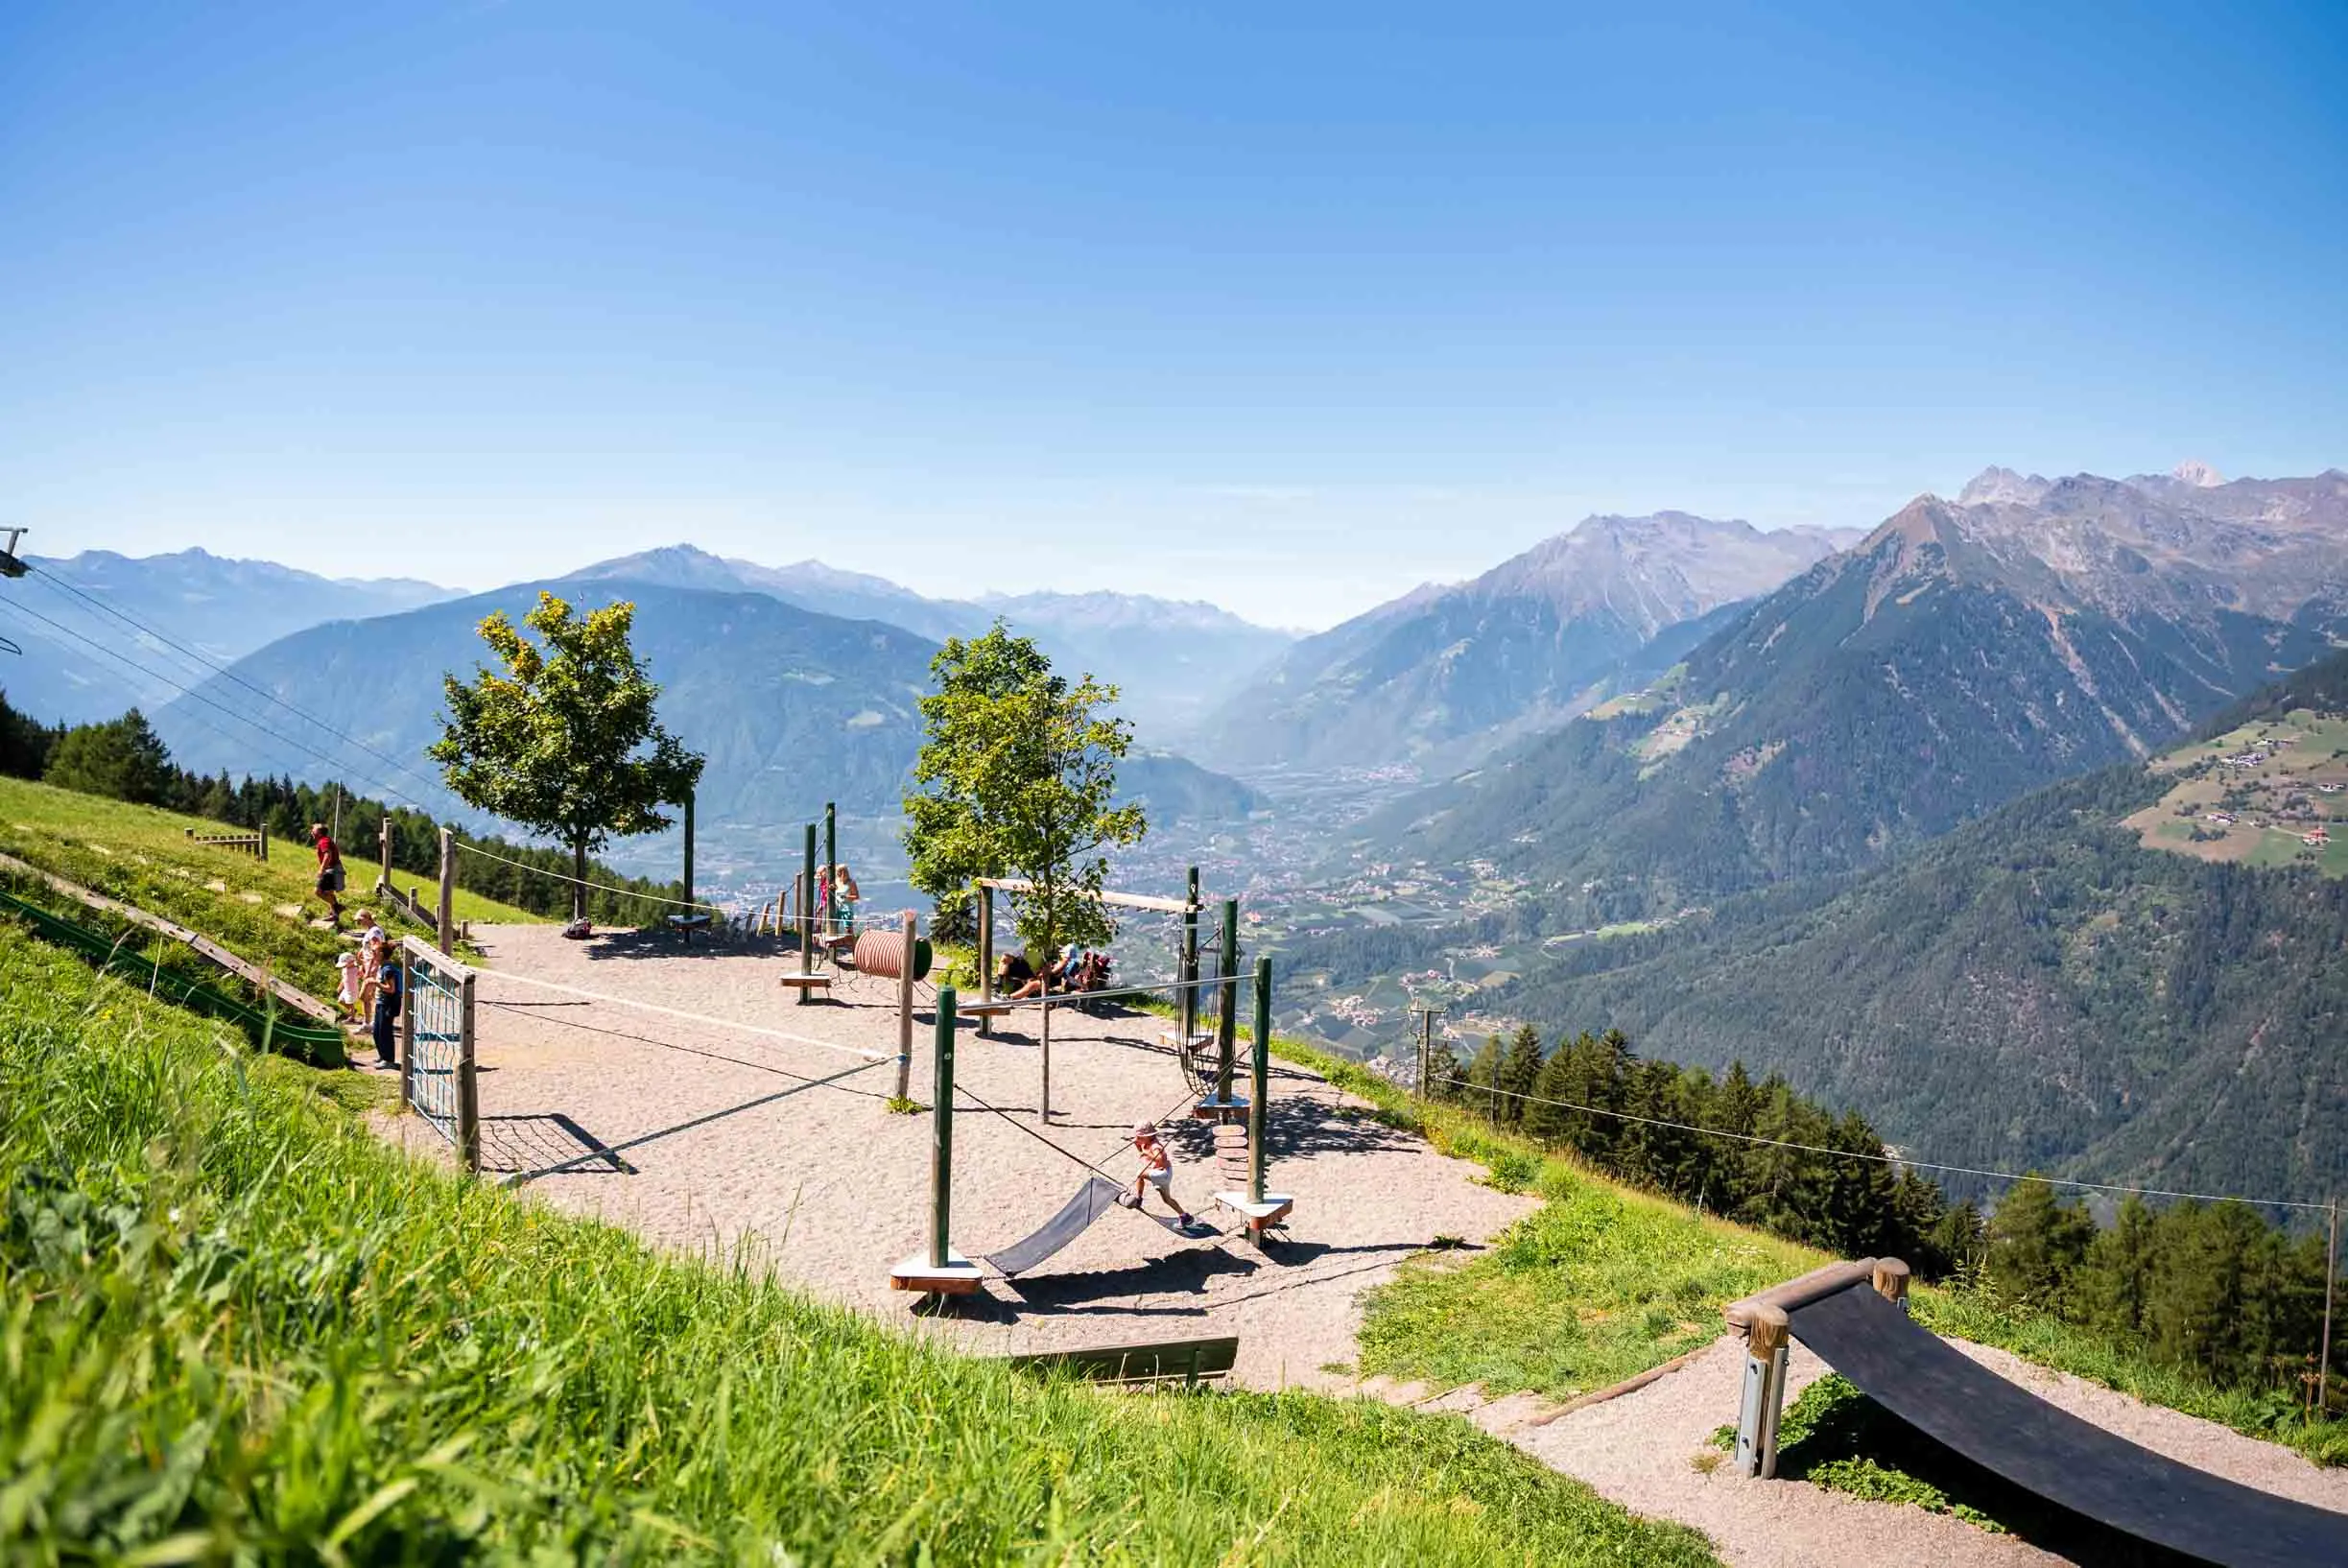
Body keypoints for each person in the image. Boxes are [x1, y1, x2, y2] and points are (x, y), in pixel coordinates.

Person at [1121, 1122, 1192, 1226]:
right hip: (1164, 1173)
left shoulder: (1155, 1146)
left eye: (1139, 1137)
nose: (1138, 1139)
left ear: (1147, 1136)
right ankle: (1184, 1216)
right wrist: (1137, 1145)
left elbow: (1160, 1159)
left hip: (1162, 1173)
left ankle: (1139, 1198)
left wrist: (1146, 1153)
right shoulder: (1146, 1142)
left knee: (1139, 1174)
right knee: (1167, 1199)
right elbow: (1142, 1153)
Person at [370, 948, 404, 1069]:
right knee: (377, 1031)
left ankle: (389, 1060)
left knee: (385, 1032)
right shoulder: (383, 967)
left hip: (388, 1004)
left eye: (375, 953)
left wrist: (375, 983)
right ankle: (382, 1056)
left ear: (381, 954)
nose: (373, 955)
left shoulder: (388, 970)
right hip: (381, 1002)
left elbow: (391, 989)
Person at [311, 821, 345, 927]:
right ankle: (334, 915)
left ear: (319, 833)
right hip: (335, 869)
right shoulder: (326, 840)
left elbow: (328, 855)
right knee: (329, 893)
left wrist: (321, 870)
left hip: (332, 870)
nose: (311, 831)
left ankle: (336, 907)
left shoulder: (323, 841)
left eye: (314, 830)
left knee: (318, 891)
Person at [334, 950, 361, 1023]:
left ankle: (352, 1018)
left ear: (351, 962)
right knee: (340, 1001)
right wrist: (340, 987)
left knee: (350, 1003)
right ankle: (352, 1011)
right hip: (346, 989)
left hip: (352, 990)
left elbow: (361, 975)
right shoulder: (344, 969)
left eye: (345, 964)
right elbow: (343, 979)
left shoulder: (355, 969)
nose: (344, 965)